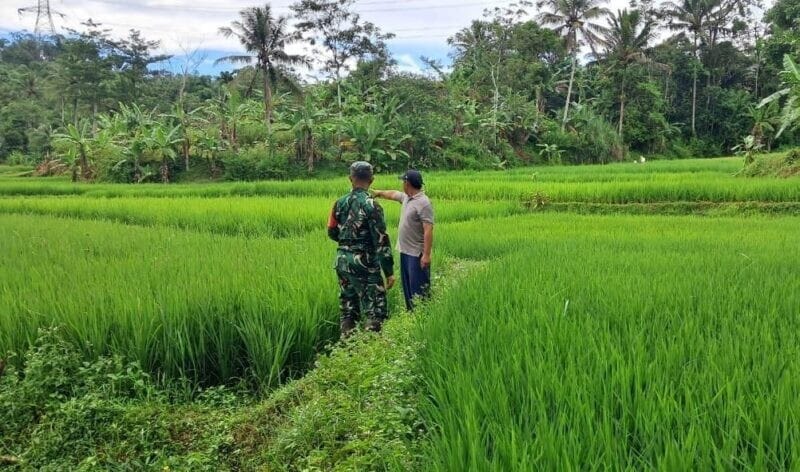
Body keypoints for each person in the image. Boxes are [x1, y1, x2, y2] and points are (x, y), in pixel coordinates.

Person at [327, 161, 396, 336]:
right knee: (375, 309)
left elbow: (331, 231)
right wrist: (388, 271)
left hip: (342, 261)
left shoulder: (338, 203)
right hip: (365, 262)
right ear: (371, 180)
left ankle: (347, 347)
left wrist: (347, 243)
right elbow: (381, 240)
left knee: (348, 307)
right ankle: (369, 351)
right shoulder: (372, 205)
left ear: (350, 179)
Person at [371, 169, 434, 311]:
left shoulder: (423, 203)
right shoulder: (407, 197)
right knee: (408, 288)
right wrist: (378, 193)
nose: (401, 184)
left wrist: (426, 255)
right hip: (405, 252)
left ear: (407, 183)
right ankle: (411, 315)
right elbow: (393, 194)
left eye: (403, 181)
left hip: (416, 254)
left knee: (419, 290)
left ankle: (422, 316)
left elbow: (428, 229)